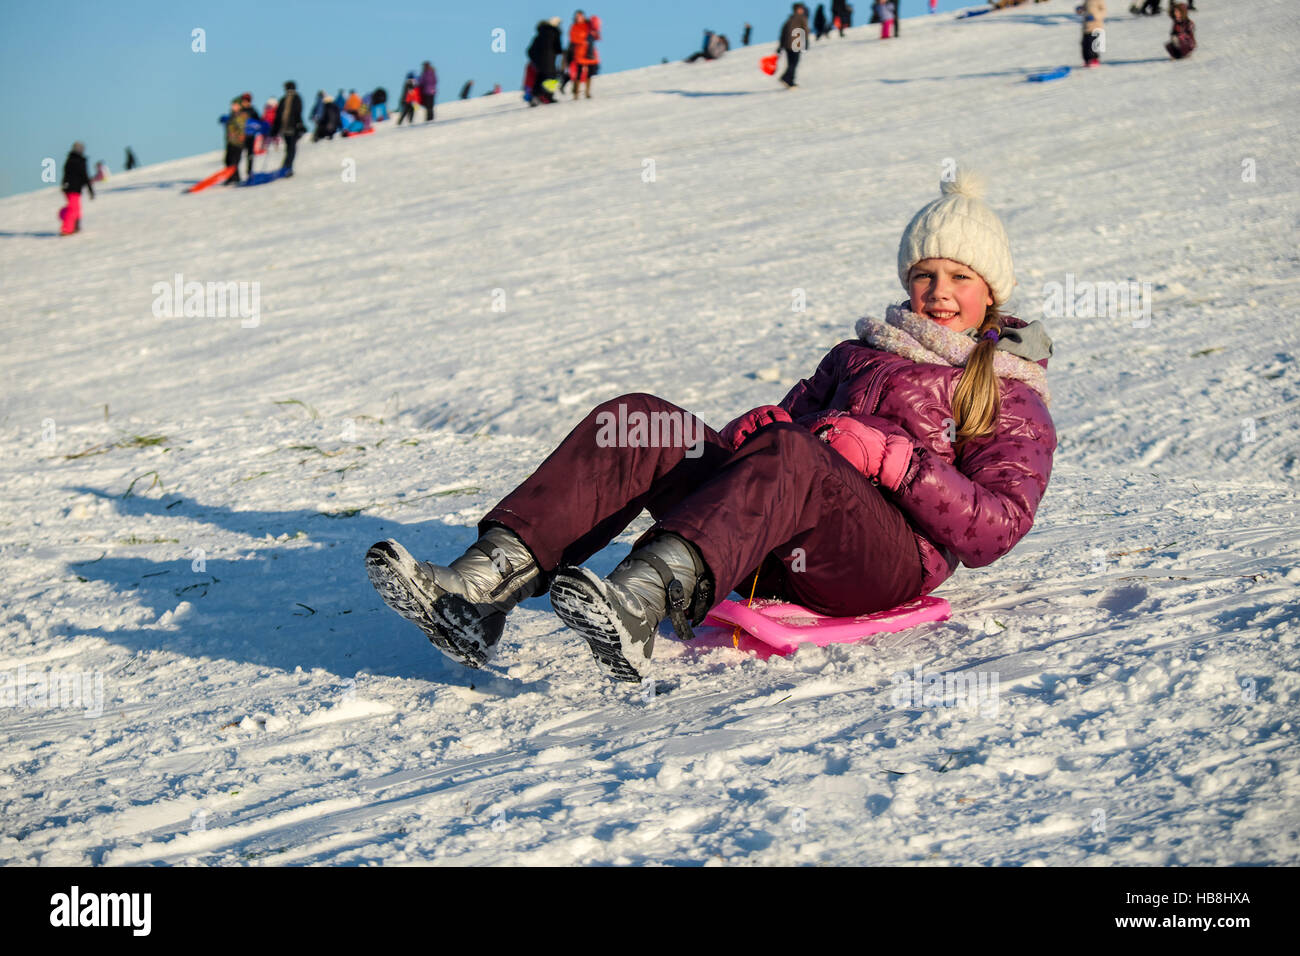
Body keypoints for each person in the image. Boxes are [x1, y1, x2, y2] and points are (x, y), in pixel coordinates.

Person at [366, 169, 1056, 684]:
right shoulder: (857, 353)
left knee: (791, 454)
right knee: (638, 423)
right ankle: (482, 589)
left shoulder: (1004, 388)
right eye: (925, 272)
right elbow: (787, 442)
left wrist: (899, 465)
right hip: (779, 544)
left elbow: (1000, 524)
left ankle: (639, 604)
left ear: (991, 291)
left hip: (880, 564)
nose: (938, 291)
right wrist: (762, 429)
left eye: (960, 276)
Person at [271, 80, 306, 176]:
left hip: (284, 128)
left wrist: (275, 129)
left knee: (289, 148)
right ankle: (288, 168)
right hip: (293, 128)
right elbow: (298, 113)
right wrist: (300, 125)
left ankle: (286, 167)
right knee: (292, 149)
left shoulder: (283, 99)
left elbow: (278, 116)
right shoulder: (297, 98)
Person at [59, 142, 93, 234]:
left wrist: (64, 185)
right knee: (73, 208)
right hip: (73, 188)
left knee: (76, 207)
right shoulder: (79, 160)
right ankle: (67, 228)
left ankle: (76, 226)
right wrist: (90, 190)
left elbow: (66, 174)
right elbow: (84, 176)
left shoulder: (70, 159)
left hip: (71, 188)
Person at [527, 18, 564, 104]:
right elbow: (558, 48)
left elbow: (530, 51)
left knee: (540, 77)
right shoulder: (555, 32)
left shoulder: (539, 35)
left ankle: (535, 96)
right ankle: (548, 97)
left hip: (539, 62)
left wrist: (535, 60)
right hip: (550, 60)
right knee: (551, 78)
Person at [568, 11, 601, 99]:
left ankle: (587, 92)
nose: (579, 18)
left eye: (580, 16)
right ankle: (576, 94)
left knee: (590, 73)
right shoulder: (574, 27)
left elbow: (597, 36)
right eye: (577, 16)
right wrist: (583, 40)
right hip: (579, 53)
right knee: (578, 73)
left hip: (590, 54)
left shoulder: (589, 25)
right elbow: (573, 38)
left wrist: (595, 27)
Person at [777, 3, 810, 88]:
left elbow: (783, 33)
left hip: (787, 45)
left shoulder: (789, 20)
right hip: (796, 44)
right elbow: (805, 30)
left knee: (791, 63)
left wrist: (780, 46)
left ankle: (789, 80)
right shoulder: (802, 18)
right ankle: (787, 79)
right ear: (798, 9)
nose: (802, 10)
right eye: (801, 8)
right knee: (794, 63)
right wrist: (806, 42)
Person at [222, 98, 247, 183]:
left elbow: (243, 128)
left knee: (234, 161)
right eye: (233, 105)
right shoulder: (231, 115)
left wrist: (241, 136)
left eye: (235, 105)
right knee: (227, 160)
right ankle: (230, 177)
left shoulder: (241, 116)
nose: (233, 107)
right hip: (230, 141)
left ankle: (235, 178)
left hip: (237, 143)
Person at [1080, 0, 1106, 68]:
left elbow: (1103, 11)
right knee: (1084, 44)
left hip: (1096, 26)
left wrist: (1095, 16)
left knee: (1092, 44)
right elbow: (1084, 9)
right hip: (1086, 27)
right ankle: (1087, 59)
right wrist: (1080, 9)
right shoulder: (1087, 1)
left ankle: (1094, 59)